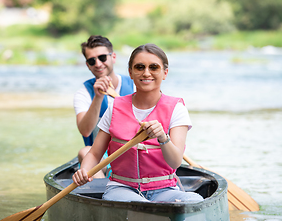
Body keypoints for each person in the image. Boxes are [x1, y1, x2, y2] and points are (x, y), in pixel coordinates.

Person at [72, 43, 203, 203]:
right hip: (122, 189)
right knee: (142, 206)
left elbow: (175, 162)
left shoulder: (177, 108)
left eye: (154, 67)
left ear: (165, 73)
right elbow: (94, 153)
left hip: (165, 190)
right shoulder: (115, 107)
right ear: (131, 73)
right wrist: (84, 170)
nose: (146, 73)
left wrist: (163, 137)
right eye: (139, 67)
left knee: (195, 200)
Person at [73, 35, 134, 178]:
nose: (98, 64)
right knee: (84, 152)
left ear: (113, 57)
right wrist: (98, 97)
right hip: (101, 157)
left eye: (102, 57)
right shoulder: (84, 93)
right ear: (87, 65)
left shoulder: (135, 85)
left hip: (133, 151)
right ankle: (105, 192)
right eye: (92, 61)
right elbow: (85, 131)